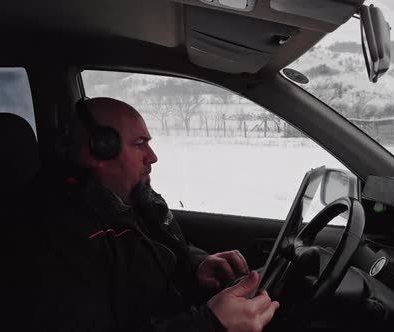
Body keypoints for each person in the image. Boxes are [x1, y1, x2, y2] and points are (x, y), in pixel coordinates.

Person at [31, 97, 280, 332]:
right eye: (140, 144)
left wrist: (196, 266)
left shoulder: (138, 200)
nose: (153, 157)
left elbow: (160, 251)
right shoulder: (60, 235)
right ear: (100, 150)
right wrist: (209, 324)